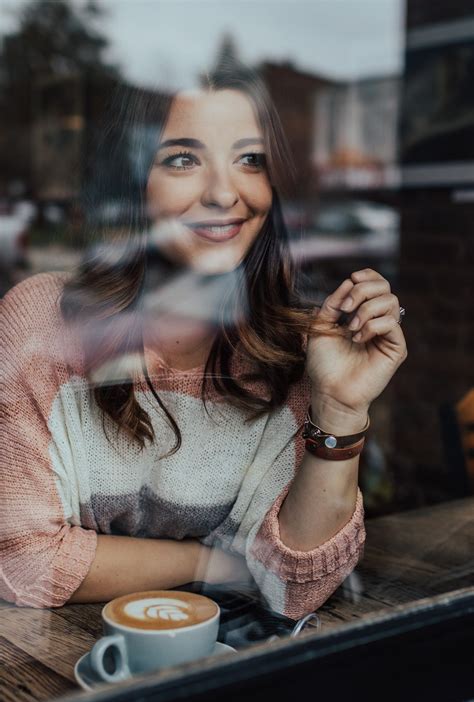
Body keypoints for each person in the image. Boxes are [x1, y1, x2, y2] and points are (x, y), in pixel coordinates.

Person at [0, 62, 407, 619]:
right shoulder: (41, 324)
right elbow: (23, 561)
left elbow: (293, 587)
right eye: (183, 159)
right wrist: (214, 565)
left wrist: (338, 409)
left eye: (250, 160)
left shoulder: (296, 352)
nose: (223, 192)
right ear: (132, 181)